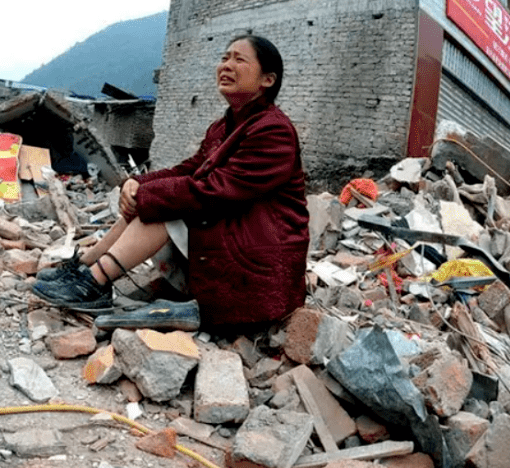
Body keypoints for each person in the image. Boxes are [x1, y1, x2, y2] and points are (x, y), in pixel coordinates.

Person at [32, 34, 309, 330]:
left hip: (262, 258)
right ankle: (86, 267)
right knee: (157, 197)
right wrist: (136, 182)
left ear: (267, 80)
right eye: (224, 57)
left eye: (239, 59)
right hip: (235, 232)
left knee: (168, 205)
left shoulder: (273, 132)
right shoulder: (225, 125)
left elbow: (216, 191)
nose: (226, 65)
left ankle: (95, 282)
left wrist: (148, 195)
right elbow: (189, 169)